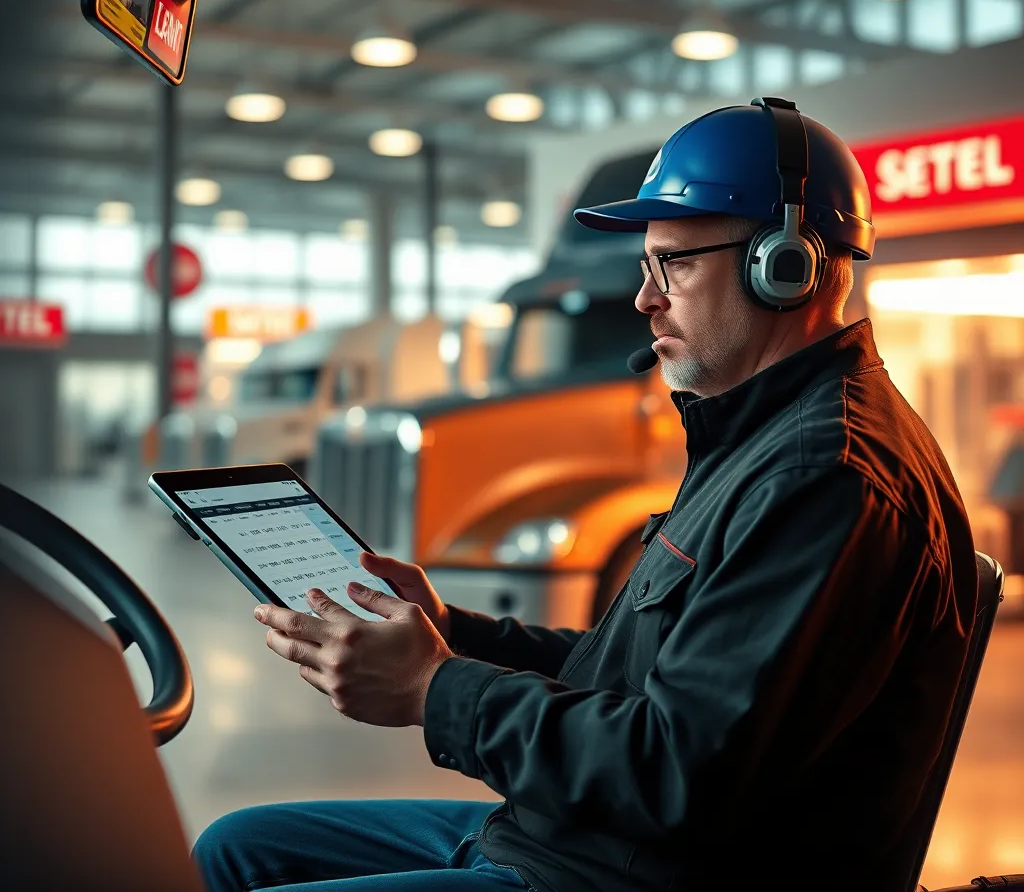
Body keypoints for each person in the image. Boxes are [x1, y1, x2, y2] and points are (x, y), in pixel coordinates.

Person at [193, 99, 978, 892]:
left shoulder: (823, 480)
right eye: (646, 268)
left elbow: (676, 772)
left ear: (783, 267)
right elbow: (635, 678)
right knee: (236, 848)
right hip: (571, 838)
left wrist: (432, 691)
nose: (645, 300)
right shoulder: (751, 438)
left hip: (632, 874)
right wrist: (449, 635)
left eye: (672, 263)